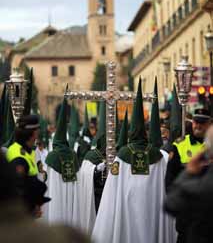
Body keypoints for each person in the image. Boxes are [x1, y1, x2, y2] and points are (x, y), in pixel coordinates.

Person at [92, 78, 175, 243]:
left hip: (127, 209)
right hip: (153, 210)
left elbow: (111, 190)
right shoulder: (157, 156)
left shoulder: (122, 155)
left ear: (131, 133)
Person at [165, 108, 211, 243]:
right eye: (196, 122)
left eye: (202, 123)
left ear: (210, 124)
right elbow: (170, 179)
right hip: (188, 214)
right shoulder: (180, 145)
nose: (198, 125)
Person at [6, 114, 50, 217]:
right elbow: (18, 191)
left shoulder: (26, 151)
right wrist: (33, 208)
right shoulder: (19, 156)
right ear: (34, 133)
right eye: (38, 130)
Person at [45, 98, 80, 225]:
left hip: (56, 198)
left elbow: (47, 182)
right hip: (72, 197)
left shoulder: (52, 157)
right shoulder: (73, 155)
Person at [77, 101, 106, 234]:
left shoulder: (117, 155)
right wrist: (95, 170)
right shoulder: (91, 155)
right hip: (96, 194)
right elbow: (84, 172)